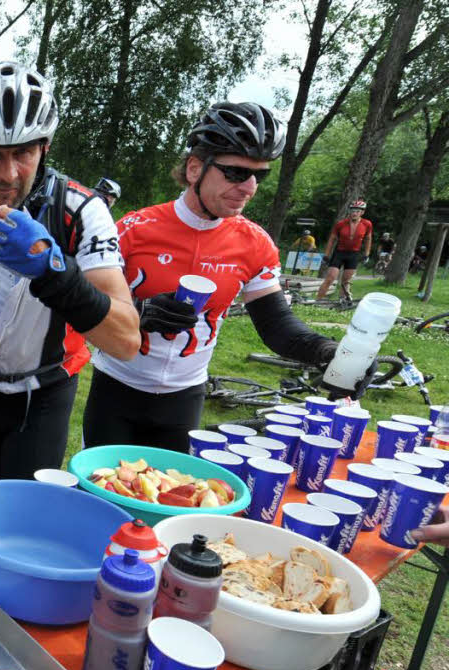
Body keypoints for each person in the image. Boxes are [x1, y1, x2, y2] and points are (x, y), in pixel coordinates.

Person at [82, 102, 376, 453]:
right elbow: (86, 308)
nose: (249, 187)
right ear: (194, 168)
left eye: (259, 175)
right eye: (236, 173)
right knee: (100, 498)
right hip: (117, 389)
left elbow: (276, 324)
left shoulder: (254, 243)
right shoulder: (133, 228)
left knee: (174, 503)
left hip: (184, 396)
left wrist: (326, 351)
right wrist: (136, 313)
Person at [0, 61, 140, 488]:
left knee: (18, 514)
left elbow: (126, 340)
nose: (7, 175)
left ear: (43, 148)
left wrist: (51, 269)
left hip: (44, 393)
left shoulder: (81, 210)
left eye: (21, 153)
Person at [317, 199, 372, 301]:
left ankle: (341, 301)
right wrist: (326, 254)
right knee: (330, 278)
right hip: (339, 253)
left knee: (346, 281)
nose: (354, 213)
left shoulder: (367, 224)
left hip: (354, 254)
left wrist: (367, 253)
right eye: (352, 211)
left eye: (357, 211)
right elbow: (332, 239)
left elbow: (368, 238)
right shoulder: (341, 224)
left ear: (362, 212)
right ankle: (318, 300)